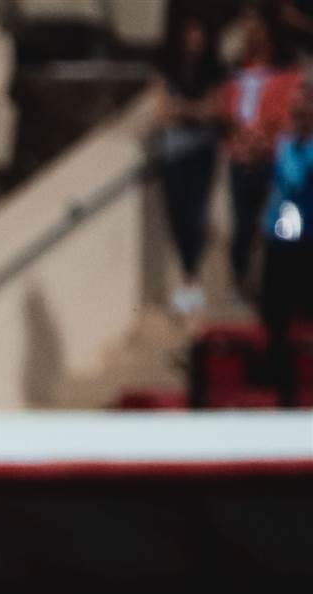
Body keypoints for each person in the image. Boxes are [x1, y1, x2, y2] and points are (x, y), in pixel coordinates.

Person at [157, 17, 226, 316]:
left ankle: (192, 278)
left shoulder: (215, 71)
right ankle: (186, 276)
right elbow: (163, 110)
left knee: (196, 213)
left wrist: (184, 108)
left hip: (201, 150)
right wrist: (194, 109)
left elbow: (215, 109)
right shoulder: (169, 71)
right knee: (177, 215)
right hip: (173, 152)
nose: (193, 40)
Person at [223, 11, 296, 290]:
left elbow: (285, 115)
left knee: (273, 224)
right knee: (242, 224)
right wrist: (242, 140)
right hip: (241, 158)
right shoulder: (236, 77)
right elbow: (227, 115)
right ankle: (241, 277)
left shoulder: (282, 76)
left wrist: (264, 140)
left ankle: (270, 280)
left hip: (269, 156)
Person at [260, 76, 313, 404]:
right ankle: (283, 391)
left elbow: (297, 181)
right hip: (281, 242)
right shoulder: (283, 145)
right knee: (276, 318)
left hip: (308, 243)